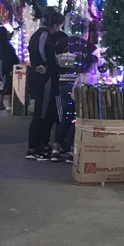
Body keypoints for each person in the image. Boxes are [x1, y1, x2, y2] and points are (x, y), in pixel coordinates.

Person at [26, 10, 64, 160]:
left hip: (42, 76)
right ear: (55, 25)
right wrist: (46, 64)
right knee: (41, 112)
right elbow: (40, 51)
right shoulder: (43, 35)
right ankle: (34, 147)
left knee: (46, 112)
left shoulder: (40, 34)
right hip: (44, 78)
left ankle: (41, 144)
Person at [50, 29, 79, 162]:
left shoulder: (61, 44)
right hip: (78, 84)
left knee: (65, 117)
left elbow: (54, 62)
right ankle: (72, 150)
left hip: (63, 83)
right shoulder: (87, 46)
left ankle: (56, 149)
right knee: (76, 118)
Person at [0, 26, 20, 111]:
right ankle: (10, 104)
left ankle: (0, 103)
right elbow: (14, 58)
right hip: (9, 68)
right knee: (9, 85)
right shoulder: (9, 47)